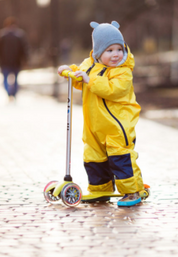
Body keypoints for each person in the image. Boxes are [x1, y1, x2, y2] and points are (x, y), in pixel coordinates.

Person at [57, 21, 144, 207]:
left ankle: (132, 191)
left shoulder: (123, 71)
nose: (115, 55)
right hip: (95, 125)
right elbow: (80, 78)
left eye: (118, 49)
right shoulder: (90, 64)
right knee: (94, 157)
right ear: (98, 52)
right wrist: (69, 71)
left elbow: (114, 90)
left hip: (117, 125)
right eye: (109, 50)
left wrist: (90, 80)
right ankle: (100, 188)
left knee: (120, 157)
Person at [0, 17, 29, 102]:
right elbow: (24, 49)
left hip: (5, 61)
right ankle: (13, 93)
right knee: (15, 79)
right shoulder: (19, 35)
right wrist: (25, 59)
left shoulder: (1, 35)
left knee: (5, 78)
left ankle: (9, 93)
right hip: (16, 60)